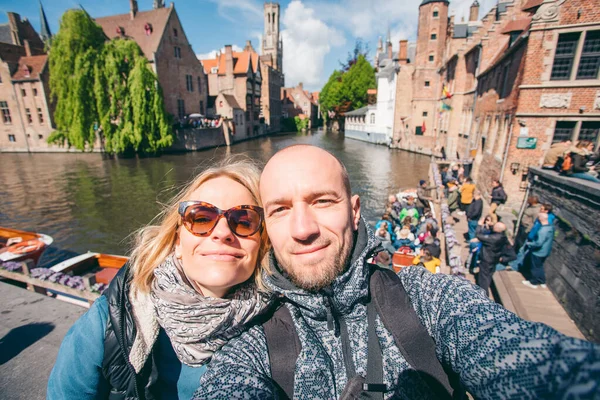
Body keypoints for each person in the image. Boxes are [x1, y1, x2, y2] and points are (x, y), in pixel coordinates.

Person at [193, 145, 600, 400]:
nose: (303, 229)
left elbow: (525, 358)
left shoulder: (429, 300)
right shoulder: (251, 345)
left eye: (322, 201)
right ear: (267, 225)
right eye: (281, 209)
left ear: (354, 212)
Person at [47, 158, 272, 399]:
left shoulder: (280, 322)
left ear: (261, 243)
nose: (222, 232)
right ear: (177, 242)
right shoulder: (113, 320)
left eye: (244, 221)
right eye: (202, 218)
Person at [474, 222, 509, 296]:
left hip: (487, 259)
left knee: (483, 277)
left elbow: (478, 235)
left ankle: (484, 294)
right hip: (495, 258)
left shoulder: (492, 238)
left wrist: (479, 225)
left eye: (494, 226)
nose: (493, 227)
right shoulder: (503, 237)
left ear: (497, 229)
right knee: (489, 275)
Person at [522, 213, 554, 289]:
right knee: (539, 266)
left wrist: (529, 243)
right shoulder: (550, 227)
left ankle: (534, 282)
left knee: (535, 267)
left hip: (538, 252)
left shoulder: (542, 230)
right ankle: (542, 281)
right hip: (545, 251)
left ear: (540, 219)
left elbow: (538, 243)